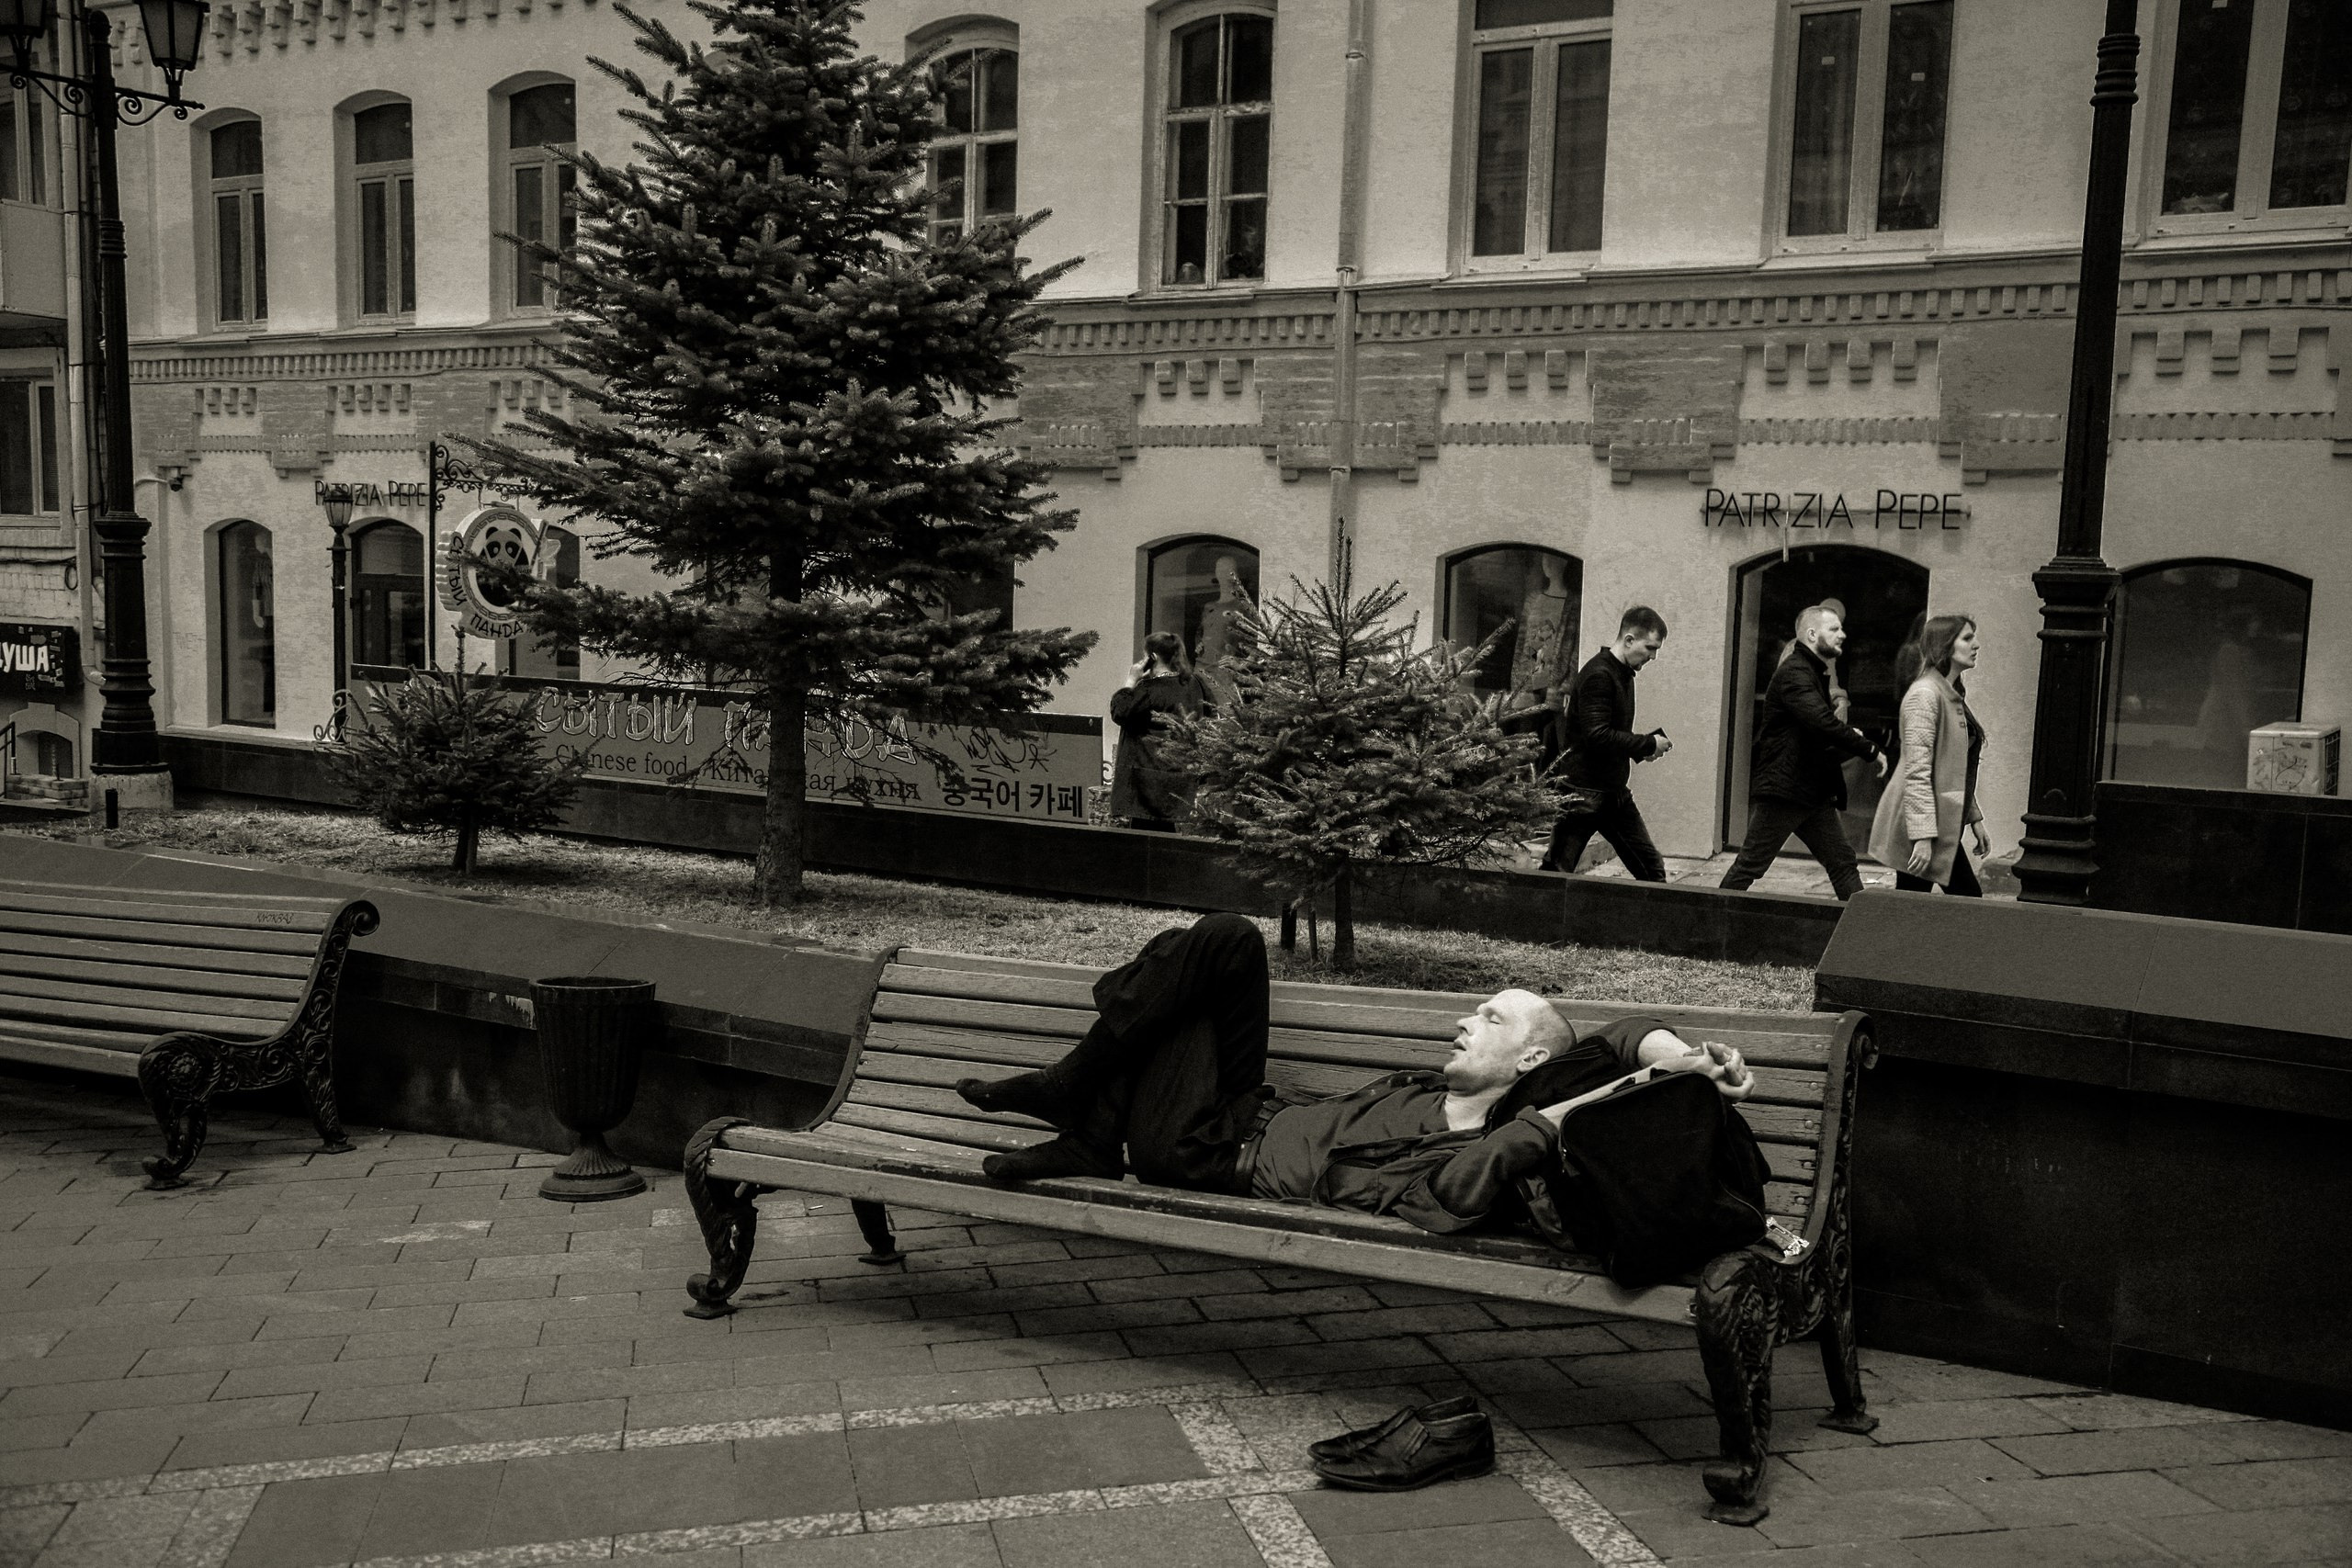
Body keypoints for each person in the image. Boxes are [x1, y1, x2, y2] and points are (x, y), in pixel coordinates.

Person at [955, 914, 1753, 1235]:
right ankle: (1081, 1107)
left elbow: (1474, 1183)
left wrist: (1596, 1102)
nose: (1463, 1020)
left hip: (1210, 1155)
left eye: (1491, 1018)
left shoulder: (1479, 1144)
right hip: (1243, 1108)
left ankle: (1080, 1108)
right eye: (1472, 1011)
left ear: (1534, 1060)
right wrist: (1684, 1059)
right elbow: (1625, 1034)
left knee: (1181, 968)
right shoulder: (1461, 1093)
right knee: (1221, 940)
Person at [1721, 604, 1886, 899]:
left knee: (1842, 861)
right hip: (1786, 791)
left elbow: (1813, 731)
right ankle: (1705, 929)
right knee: (1751, 865)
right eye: (1834, 629)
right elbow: (1822, 723)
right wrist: (1868, 748)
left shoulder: (1812, 671)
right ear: (1812, 634)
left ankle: (1860, 931)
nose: (1842, 635)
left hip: (1810, 791)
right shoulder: (1795, 673)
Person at [1539, 606, 1672, 880]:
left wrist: (1641, 750)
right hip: (1583, 795)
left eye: (1656, 649)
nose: (1653, 656)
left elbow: (1608, 734)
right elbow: (1597, 735)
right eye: (1650, 647)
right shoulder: (1600, 674)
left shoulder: (1622, 673)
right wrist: (1647, 745)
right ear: (1629, 640)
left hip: (1611, 794)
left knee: (1652, 871)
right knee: (1554, 875)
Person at [1870, 614, 1990, 896]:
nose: (1976, 645)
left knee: (1916, 903)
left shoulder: (1949, 693)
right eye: (1967, 638)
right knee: (1964, 899)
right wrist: (1922, 837)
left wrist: (1975, 819)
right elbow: (1918, 771)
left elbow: (1954, 766)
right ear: (1945, 646)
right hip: (1924, 826)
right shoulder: (1925, 695)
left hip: (1938, 822)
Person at [1108, 632, 1204, 830]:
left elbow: (1120, 712)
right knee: (1167, 840)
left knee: (1145, 847)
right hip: (1178, 777)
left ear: (1151, 657)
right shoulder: (1193, 684)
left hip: (1147, 783)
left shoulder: (1149, 689)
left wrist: (1131, 680)